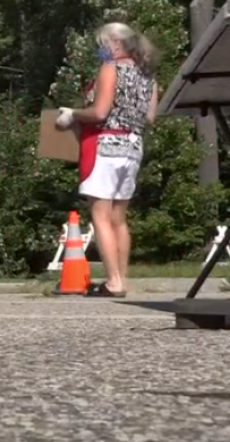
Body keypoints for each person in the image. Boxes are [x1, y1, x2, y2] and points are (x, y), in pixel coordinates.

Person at [55, 22, 158, 298]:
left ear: (115, 43)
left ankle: (113, 282)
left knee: (100, 216)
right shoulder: (148, 75)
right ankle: (122, 278)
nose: (101, 50)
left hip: (106, 146)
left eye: (102, 44)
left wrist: (73, 114)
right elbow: (150, 118)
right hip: (133, 146)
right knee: (119, 219)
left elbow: (99, 112)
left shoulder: (110, 68)